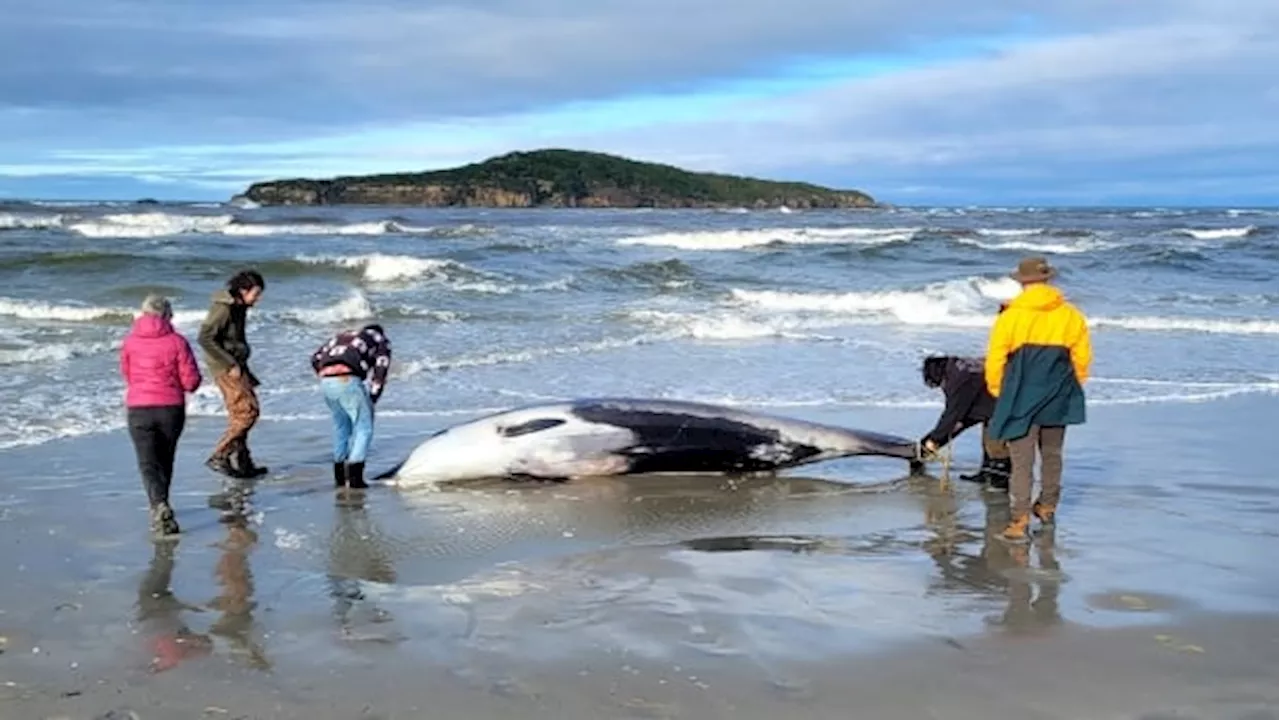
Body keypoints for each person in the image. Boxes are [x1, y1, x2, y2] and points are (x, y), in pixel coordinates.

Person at [985, 256, 1092, 542]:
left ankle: (1019, 520)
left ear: (1022, 283)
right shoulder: (1071, 315)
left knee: (1022, 460)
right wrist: (1072, 385)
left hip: (1020, 392)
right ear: (1047, 281)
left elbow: (995, 358)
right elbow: (1082, 358)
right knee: (1053, 455)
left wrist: (998, 390)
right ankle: (1047, 507)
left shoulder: (1011, 315)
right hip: (1059, 391)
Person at [120, 294, 203, 537]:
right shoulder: (177, 342)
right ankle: (162, 504)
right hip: (170, 408)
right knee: (165, 459)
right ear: (167, 315)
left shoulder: (130, 341)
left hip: (139, 407)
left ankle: (158, 505)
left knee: (147, 462)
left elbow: (126, 373)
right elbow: (191, 381)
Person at [198, 269, 268, 479]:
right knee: (247, 413)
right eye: (256, 293)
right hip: (226, 367)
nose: (258, 298)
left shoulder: (239, 307)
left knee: (242, 413)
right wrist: (229, 364)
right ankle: (220, 455)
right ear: (243, 290)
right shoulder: (224, 309)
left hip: (237, 364)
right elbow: (205, 338)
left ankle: (243, 462)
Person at [310, 323, 392, 489]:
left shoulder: (342, 336)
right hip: (348, 380)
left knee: (341, 427)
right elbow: (380, 369)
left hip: (327, 382)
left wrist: (325, 375)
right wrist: (373, 398)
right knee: (364, 427)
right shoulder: (380, 339)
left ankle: (339, 477)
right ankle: (355, 478)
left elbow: (315, 358)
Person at [919, 354, 1010, 489]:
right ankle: (986, 473)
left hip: (1003, 401)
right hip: (994, 396)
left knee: (995, 443)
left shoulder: (958, 380)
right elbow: (961, 415)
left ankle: (1000, 480)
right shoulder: (960, 366)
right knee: (987, 439)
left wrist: (934, 439)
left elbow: (953, 414)